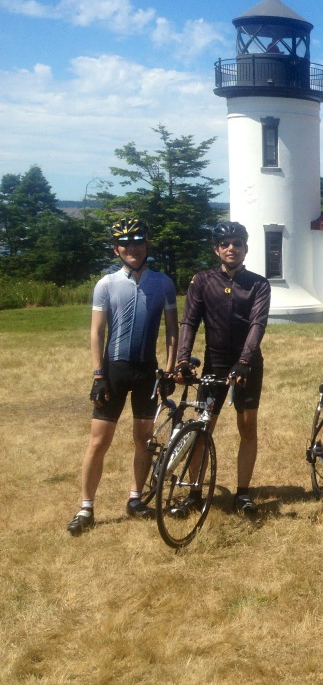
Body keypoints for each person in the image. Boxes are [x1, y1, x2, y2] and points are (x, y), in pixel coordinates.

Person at [67, 217, 178, 536]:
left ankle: (135, 499)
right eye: (126, 244)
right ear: (117, 249)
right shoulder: (106, 283)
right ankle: (86, 507)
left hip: (146, 370)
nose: (133, 248)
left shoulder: (163, 282)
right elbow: (96, 331)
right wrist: (98, 373)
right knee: (99, 441)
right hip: (113, 371)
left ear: (147, 246)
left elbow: (173, 330)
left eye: (138, 242)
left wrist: (169, 370)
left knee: (143, 439)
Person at [174, 221, 270, 518]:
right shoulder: (202, 281)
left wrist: (244, 361)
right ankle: (194, 492)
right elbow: (189, 322)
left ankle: (242, 493)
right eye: (225, 243)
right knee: (202, 429)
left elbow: (257, 325)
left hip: (247, 364)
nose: (232, 248)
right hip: (214, 361)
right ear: (216, 249)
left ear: (245, 248)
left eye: (237, 243)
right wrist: (182, 359)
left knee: (247, 428)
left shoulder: (258, 283)